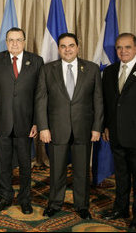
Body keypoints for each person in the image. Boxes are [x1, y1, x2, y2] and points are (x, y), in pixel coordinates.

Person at [35, 33, 103, 220]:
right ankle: (54, 203)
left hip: (84, 129)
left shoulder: (91, 69)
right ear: (58, 49)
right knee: (57, 170)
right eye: (63, 46)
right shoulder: (48, 70)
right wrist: (43, 127)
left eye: (71, 45)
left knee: (82, 171)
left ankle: (82, 205)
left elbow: (98, 101)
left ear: (78, 47)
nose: (67, 49)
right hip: (56, 129)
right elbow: (40, 100)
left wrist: (97, 127)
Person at [101, 33, 136, 229]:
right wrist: (106, 126)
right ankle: (121, 208)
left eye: (127, 47)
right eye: (119, 47)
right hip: (116, 134)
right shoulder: (110, 71)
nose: (122, 51)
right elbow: (109, 104)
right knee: (122, 175)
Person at [0, 27, 43, 214]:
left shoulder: (36, 61)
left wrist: (36, 122)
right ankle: (4, 196)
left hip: (26, 123)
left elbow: (39, 95)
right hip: (2, 121)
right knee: (2, 163)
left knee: (26, 164)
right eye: (11, 40)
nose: (15, 43)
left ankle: (25, 199)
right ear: (6, 41)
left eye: (18, 40)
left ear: (24, 41)